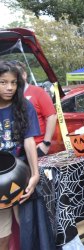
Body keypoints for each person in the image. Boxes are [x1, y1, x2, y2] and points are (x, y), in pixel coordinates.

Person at [0, 61, 40, 250]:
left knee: (26, 227)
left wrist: (35, 174)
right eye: (3, 82)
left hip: (18, 174)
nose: (9, 87)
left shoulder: (24, 106)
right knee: (2, 233)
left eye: (13, 82)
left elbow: (29, 141)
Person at [13, 61, 57, 157]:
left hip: (37, 145)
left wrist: (46, 143)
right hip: (16, 148)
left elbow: (52, 116)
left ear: (24, 75)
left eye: (16, 75)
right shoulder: (10, 96)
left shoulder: (38, 92)